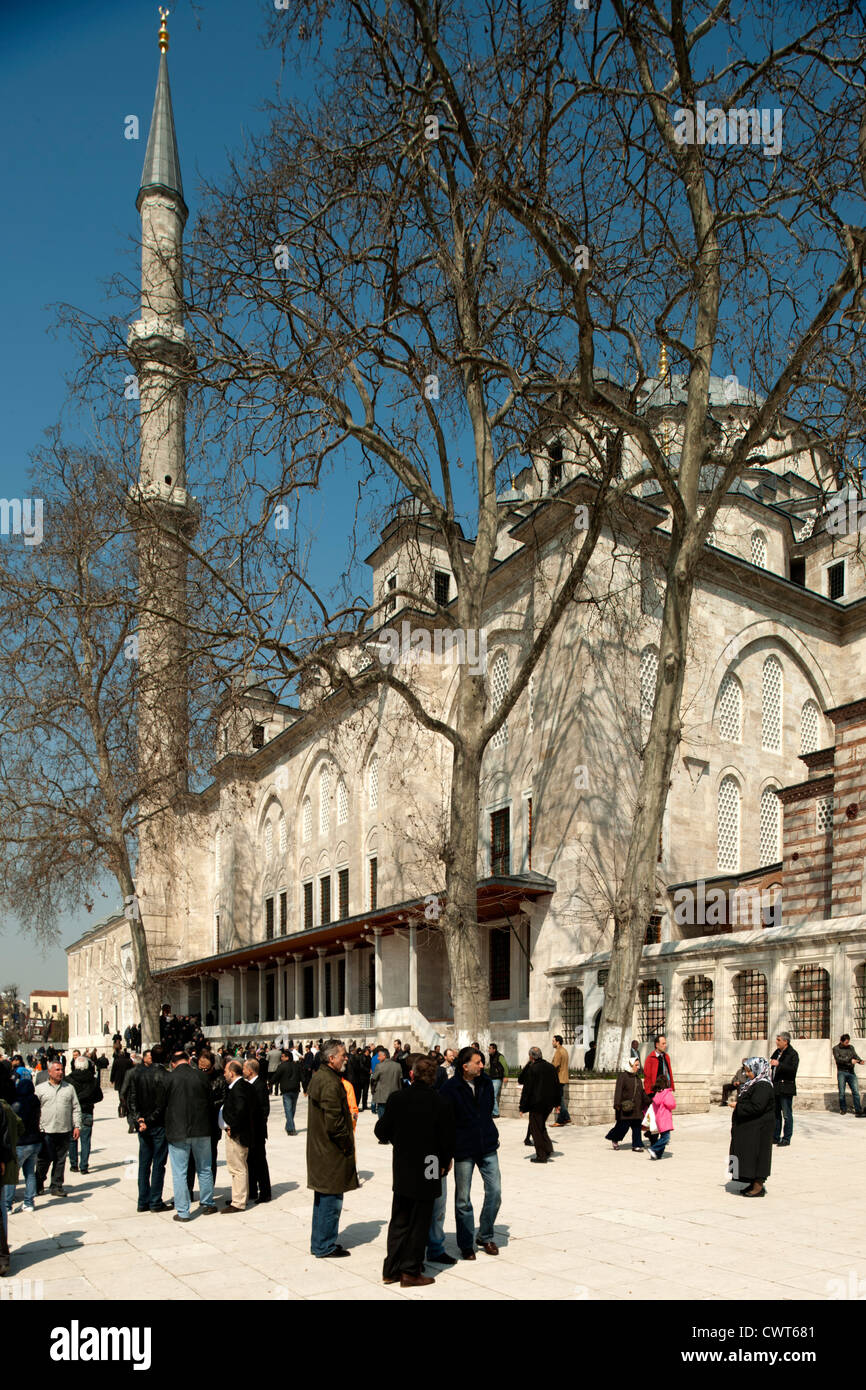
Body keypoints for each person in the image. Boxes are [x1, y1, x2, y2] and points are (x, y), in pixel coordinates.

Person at [375, 1053, 455, 1287]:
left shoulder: (398, 1098)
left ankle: (391, 1269)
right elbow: (447, 1139)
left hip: (404, 1166)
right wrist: (445, 1160)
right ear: (433, 1078)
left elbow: (382, 1131)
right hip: (430, 1166)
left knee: (400, 1218)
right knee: (420, 1220)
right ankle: (410, 1270)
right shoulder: (441, 1102)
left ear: (412, 1074)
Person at [440, 1046, 501, 1259]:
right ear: (465, 1066)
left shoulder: (486, 1083)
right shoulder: (450, 1088)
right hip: (463, 1149)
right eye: (478, 1062)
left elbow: (487, 1111)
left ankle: (485, 1235)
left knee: (495, 1192)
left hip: (487, 1146)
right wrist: (446, 1153)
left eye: (482, 1061)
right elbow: (445, 1123)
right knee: (463, 1199)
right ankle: (466, 1244)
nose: (482, 1066)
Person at [306, 1039, 358, 1257]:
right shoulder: (329, 1082)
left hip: (322, 1150)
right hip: (330, 1152)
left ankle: (320, 1242)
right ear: (331, 1058)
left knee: (323, 1199)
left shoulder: (323, 1077)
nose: (346, 1058)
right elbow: (334, 1122)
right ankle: (324, 1245)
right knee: (330, 1201)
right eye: (343, 1055)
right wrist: (347, 1143)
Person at [164, 1051, 218, 1222]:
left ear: (173, 1064)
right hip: (201, 1128)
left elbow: (162, 1103)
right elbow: (210, 1102)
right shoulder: (201, 1077)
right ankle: (207, 1202)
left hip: (178, 1130)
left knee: (180, 1172)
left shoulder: (169, 1078)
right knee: (205, 1167)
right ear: (188, 1060)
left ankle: (183, 1211)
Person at [124, 1048, 173, 1213]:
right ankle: (154, 1201)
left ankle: (143, 1200)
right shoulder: (165, 1076)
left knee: (144, 1164)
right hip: (157, 1124)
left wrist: (139, 1119)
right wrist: (144, 1120)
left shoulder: (138, 1073)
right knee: (158, 1164)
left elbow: (131, 1098)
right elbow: (162, 1104)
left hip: (144, 1123)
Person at [35, 1060, 81, 1197]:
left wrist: (77, 1126)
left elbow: (76, 1108)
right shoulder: (40, 1089)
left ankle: (56, 1185)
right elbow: (34, 1109)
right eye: (57, 1070)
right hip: (45, 1131)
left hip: (64, 1129)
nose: (61, 1072)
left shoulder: (69, 1088)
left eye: (62, 1069)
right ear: (49, 1072)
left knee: (60, 1160)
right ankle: (38, 1183)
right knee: (43, 1160)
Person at [729, 1057, 774, 1197]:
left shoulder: (763, 1085)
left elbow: (757, 1107)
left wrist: (738, 1106)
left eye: (749, 1071)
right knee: (748, 1156)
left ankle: (758, 1185)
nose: (747, 1074)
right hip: (750, 1127)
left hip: (759, 1129)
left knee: (757, 1155)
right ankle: (751, 1181)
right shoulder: (755, 1083)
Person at [221, 1059, 254, 1212]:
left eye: (226, 1072)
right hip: (240, 1132)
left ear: (232, 1073)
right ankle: (239, 1197)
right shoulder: (244, 1086)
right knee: (239, 1166)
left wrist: (232, 1127)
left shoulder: (239, 1088)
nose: (224, 1074)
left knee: (238, 1168)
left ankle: (239, 1201)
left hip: (237, 1135)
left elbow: (241, 1111)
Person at [518, 1047, 561, 1162]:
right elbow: (557, 1086)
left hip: (537, 1104)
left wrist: (522, 1107)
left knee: (536, 1129)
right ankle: (548, 1148)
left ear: (531, 1056)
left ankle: (541, 1155)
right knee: (540, 1126)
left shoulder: (533, 1068)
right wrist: (557, 1103)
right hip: (548, 1103)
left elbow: (526, 1088)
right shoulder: (551, 1067)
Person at [12, 1069, 41, 1212]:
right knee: (30, 1173)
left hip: (21, 1143)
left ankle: (7, 1204)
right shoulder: (35, 1101)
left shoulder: (16, 1104)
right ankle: (29, 1203)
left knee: (12, 1175)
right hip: (35, 1141)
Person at [67, 1054, 102, 1174]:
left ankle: (73, 1164)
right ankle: (84, 1166)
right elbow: (99, 1096)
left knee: (72, 1139)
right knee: (85, 1140)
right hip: (87, 1111)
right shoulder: (92, 1079)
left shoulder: (68, 1079)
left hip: (72, 1112)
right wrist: (88, 1099)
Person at [242, 1059, 272, 1203]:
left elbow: (263, 1110)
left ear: (250, 1071)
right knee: (251, 1162)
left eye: (244, 1068)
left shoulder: (259, 1085)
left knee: (260, 1162)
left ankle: (265, 1192)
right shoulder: (250, 1085)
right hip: (250, 1130)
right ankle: (252, 1190)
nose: (242, 1071)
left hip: (257, 1131)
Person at [605, 1056, 646, 1151]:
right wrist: (617, 1104)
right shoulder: (623, 1076)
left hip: (636, 1108)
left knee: (636, 1127)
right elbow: (618, 1090)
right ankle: (614, 1138)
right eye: (636, 1065)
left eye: (638, 1065)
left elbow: (641, 1092)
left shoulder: (637, 1078)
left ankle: (636, 1144)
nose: (638, 1067)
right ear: (630, 1065)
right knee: (622, 1127)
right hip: (625, 1108)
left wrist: (649, 1101)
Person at [770, 1032, 799, 1147]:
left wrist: (779, 1064)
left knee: (786, 1114)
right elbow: (772, 1064)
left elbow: (793, 1070)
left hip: (786, 1087)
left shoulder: (792, 1054)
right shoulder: (777, 1052)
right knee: (776, 1113)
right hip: (776, 1087)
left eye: (779, 1040)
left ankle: (786, 1138)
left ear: (785, 1041)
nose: (777, 1042)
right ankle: (775, 1136)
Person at [832, 1033, 864, 1115]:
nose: (847, 1044)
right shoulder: (836, 1048)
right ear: (841, 1041)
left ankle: (858, 1109)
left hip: (851, 1072)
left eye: (848, 1042)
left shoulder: (851, 1047)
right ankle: (843, 1109)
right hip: (841, 1072)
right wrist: (850, 1061)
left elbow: (855, 1056)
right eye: (846, 1042)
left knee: (856, 1091)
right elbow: (839, 1060)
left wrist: (860, 1061)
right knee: (842, 1092)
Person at [272, 1048, 302, 1135]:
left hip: (286, 1090)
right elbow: (302, 1076)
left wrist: (270, 1083)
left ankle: (291, 1129)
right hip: (295, 1089)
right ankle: (289, 1126)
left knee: (288, 1110)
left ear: (287, 1057)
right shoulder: (297, 1065)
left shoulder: (282, 1066)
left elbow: (276, 1076)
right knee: (292, 1109)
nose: (281, 1058)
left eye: (282, 1056)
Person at [371, 1046, 403, 1125]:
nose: (378, 1058)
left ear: (384, 1056)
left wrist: (373, 1090)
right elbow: (401, 1080)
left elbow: (373, 1079)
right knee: (393, 1117)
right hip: (395, 1096)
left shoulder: (379, 1066)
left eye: (379, 1056)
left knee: (382, 1119)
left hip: (382, 1096)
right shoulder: (398, 1065)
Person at [647, 1081, 675, 1159]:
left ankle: (657, 1155)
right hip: (665, 1117)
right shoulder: (667, 1093)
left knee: (663, 1136)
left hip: (659, 1118)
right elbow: (671, 1104)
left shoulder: (658, 1094)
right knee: (666, 1138)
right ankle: (653, 1148)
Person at [551, 1035, 571, 1126]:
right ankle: (564, 1119)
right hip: (563, 1078)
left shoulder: (559, 1051)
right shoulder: (564, 1050)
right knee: (560, 1099)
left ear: (557, 1042)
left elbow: (555, 1065)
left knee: (559, 1100)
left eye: (553, 1041)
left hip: (559, 1078)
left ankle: (562, 1119)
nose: (552, 1043)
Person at [486, 1044, 508, 1119]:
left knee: (493, 1095)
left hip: (497, 1079)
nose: (488, 1050)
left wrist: (506, 1076)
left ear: (494, 1049)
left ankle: (496, 1113)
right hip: (492, 1078)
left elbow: (505, 1066)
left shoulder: (499, 1056)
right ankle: (492, 1112)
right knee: (490, 1095)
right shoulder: (491, 1056)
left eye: (490, 1048)